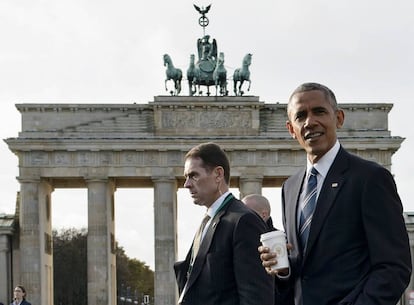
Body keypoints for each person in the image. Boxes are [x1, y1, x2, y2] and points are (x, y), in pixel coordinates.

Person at [259, 82, 411, 305]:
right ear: (292, 130)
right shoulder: (289, 188)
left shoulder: (370, 178)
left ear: (339, 118)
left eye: (319, 111)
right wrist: (282, 270)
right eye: (300, 116)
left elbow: (394, 267)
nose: (310, 122)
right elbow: (304, 271)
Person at [174, 142, 274, 305]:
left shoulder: (243, 221)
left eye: (194, 175)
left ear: (218, 174)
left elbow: (256, 297)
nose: (187, 184)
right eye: (186, 177)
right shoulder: (208, 221)